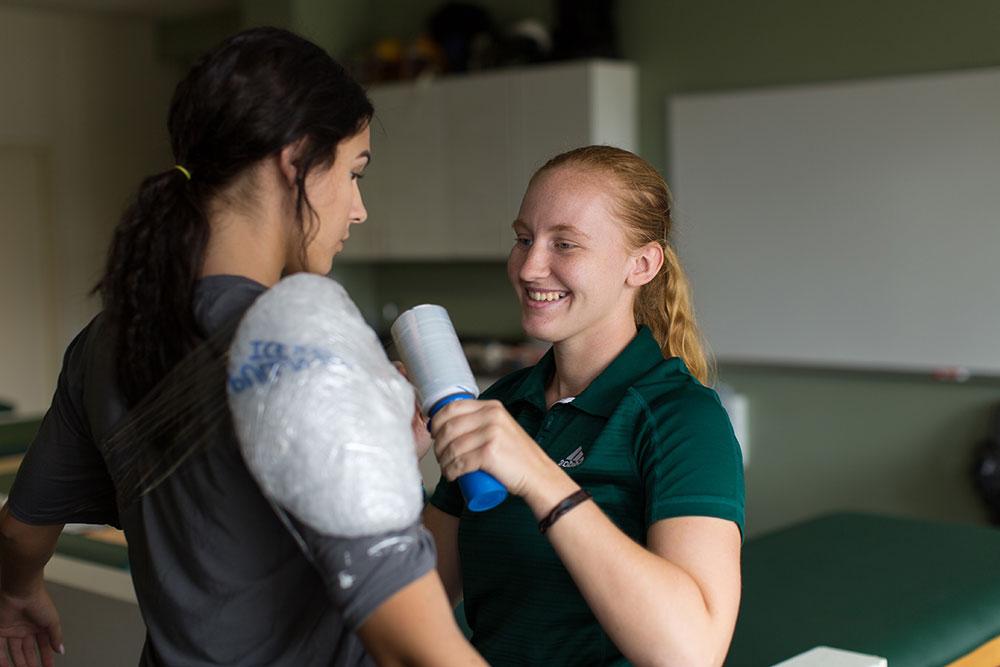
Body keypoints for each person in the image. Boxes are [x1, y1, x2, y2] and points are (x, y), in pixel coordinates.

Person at [0, 27, 483, 667]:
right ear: (299, 159)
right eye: (353, 172)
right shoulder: (310, 350)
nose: (358, 209)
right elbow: (415, 646)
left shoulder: (108, 337)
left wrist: (16, 593)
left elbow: (20, 529)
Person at [424, 145, 745, 666]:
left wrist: (541, 479)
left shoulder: (683, 420)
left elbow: (692, 653)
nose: (529, 267)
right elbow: (416, 597)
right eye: (523, 238)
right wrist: (389, 462)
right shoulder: (502, 405)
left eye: (565, 244)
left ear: (641, 264)